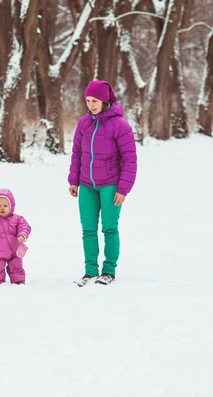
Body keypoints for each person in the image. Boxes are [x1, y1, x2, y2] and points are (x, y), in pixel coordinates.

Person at [68, 80, 137, 286]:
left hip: (111, 185)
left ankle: (108, 270)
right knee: (88, 229)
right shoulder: (84, 123)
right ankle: (90, 270)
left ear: (105, 100)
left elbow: (130, 160)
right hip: (87, 184)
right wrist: (74, 180)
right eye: (88, 100)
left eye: (95, 101)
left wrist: (123, 188)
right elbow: (77, 153)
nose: (91, 105)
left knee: (109, 228)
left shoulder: (120, 126)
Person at [0, 189, 32, 287]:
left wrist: (22, 235)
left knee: (16, 267)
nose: (2, 208)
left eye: (5, 206)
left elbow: (24, 227)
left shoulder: (18, 219)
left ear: (11, 206)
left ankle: (18, 282)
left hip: (14, 252)